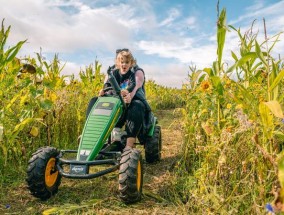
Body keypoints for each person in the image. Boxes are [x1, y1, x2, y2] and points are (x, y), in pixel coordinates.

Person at [86, 48, 151, 150]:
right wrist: (103, 91)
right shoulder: (113, 72)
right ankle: (89, 135)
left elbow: (135, 85)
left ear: (131, 63)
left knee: (137, 106)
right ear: (117, 62)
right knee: (94, 101)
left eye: (127, 62)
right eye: (121, 62)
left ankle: (129, 144)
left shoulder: (135, 72)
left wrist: (128, 94)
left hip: (129, 102)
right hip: (113, 100)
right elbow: (107, 84)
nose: (124, 64)